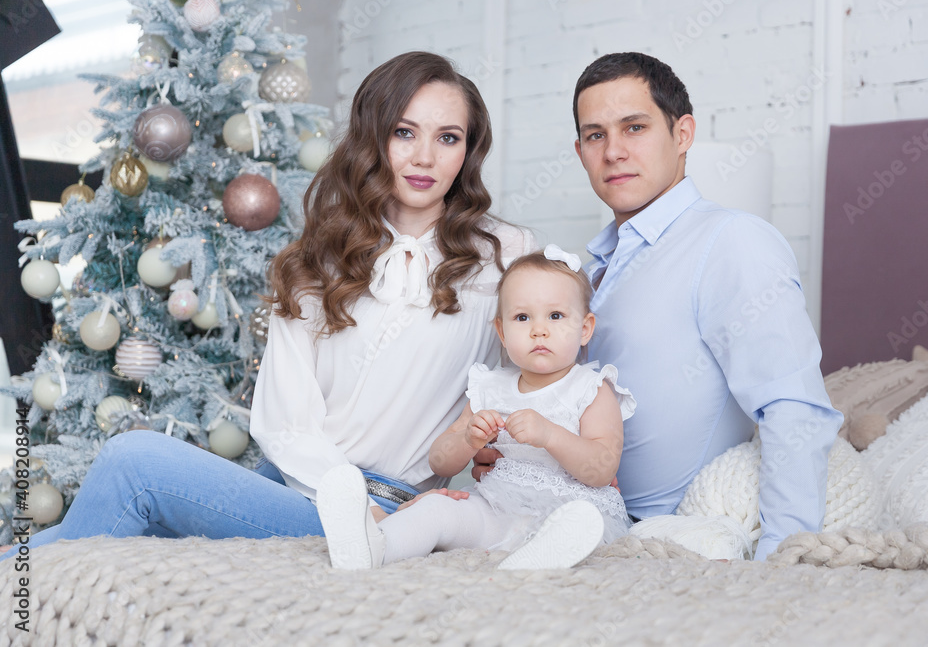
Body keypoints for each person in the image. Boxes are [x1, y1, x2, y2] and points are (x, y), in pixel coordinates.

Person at [0, 51, 533, 564]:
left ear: (468, 151)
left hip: (389, 503)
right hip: (294, 490)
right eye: (404, 132)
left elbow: (539, 374)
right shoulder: (318, 259)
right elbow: (284, 423)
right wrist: (352, 505)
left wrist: (487, 469)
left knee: (132, 461)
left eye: (448, 137)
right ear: (373, 138)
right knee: (73, 540)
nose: (425, 157)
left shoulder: (505, 255)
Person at [475, 52, 844, 562]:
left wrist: (782, 560)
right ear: (580, 151)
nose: (613, 151)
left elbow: (793, 406)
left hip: (669, 540)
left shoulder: (731, 241)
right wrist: (517, 461)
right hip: (575, 523)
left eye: (635, 127)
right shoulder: (588, 272)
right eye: (595, 135)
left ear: (682, 133)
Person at [319, 245, 635, 570]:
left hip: (567, 510)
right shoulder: (490, 387)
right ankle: (377, 547)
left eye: (556, 316)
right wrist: (467, 439)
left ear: (585, 329)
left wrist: (550, 435)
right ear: (502, 332)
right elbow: (439, 463)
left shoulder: (591, 389)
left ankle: (537, 557)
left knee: (575, 524)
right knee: (436, 509)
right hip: (496, 509)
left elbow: (602, 470)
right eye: (522, 317)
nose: (538, 330)